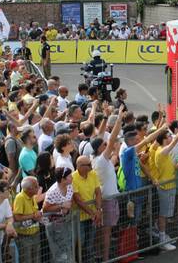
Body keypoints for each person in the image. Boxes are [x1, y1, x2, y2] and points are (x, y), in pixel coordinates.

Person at [90, 106, 124, 260]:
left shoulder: (99, 160)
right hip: (107, 200)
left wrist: (116, 150)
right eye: (104, 145)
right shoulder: (101, 160)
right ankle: (105, 258)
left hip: (108, 199)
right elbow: (111, 140)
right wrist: (118, 119)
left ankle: (99, 254)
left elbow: (114, 155)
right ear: (99, 149)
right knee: (106, 232)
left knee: (102, 231)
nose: (107, 146)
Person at [155, 114, 178, 251]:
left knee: (165, 214)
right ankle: (162, 239)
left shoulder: (165, 152)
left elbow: (171, 167)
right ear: (164, 140)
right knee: (163, 215)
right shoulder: (162, 151)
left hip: (170, 186)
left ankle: (163, 236)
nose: (171, 137)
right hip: (165, 187)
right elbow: (177, 138)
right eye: (168, 137)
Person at [72, 155, 102, 262]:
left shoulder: (93, 174)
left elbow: (98, 192)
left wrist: (98, 210)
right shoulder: (73, 178)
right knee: (81, 241)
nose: (91, 166)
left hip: (92, 214)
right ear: (80, 166)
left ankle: (88, 260)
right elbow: (78, 200)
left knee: (90, 241)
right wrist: (93, 213)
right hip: (79, 217)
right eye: (88, 165)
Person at [42, 167, 75, 263]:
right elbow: (45, 208)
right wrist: (61, 205)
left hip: (66, 220)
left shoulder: (69, 186)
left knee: (67, 245)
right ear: (62, 179)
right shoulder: (53, 191)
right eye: (69, 176)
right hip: (54, 224)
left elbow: (70, 199)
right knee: (59, 251)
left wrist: (67, 207)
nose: (72, 177)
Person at [13, 176, 42, 263]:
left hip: (35, 233)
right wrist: (33, 215)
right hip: (24, 236)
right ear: (29, 189)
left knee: (36, 258)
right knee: (26, 260)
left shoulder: (32, 196)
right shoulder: (20, 198)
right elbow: (17, 217)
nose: (39, 187)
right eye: (36, 186)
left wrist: (37, 214)